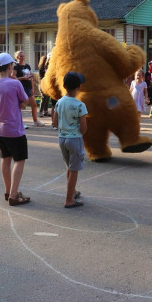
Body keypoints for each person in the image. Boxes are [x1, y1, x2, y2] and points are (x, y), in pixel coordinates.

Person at [0, 52, 30, 206]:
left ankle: (8, 191)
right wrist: (20, 104)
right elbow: (24, 102)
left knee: (5, 159)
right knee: (19, 160)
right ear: (9, 66)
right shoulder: (15, 84)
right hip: (14, 128)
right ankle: (14, 195)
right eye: (12, 64)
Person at [52, 71, 88, 208]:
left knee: (69, 167)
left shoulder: (59, 102)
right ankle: (69, 199)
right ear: (79, 87)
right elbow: (84, 128)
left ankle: (72, 192)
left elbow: (55, 122)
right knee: (74, 170)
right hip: (75, 139)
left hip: (62, 139)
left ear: (64, 85)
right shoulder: (80, 105)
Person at [14, 51, 44, 127]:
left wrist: (33, 88)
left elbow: (31, 78)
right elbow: (13, 78)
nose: (22, 57)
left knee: (34, 104)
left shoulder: (27, 66)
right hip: (21, 88)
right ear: (17, 57)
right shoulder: (16, 67)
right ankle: (19, 122)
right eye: (20, 56)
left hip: (28, 88)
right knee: (22, 105)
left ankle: (35, 121)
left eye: (23, 56)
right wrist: (22, 78)